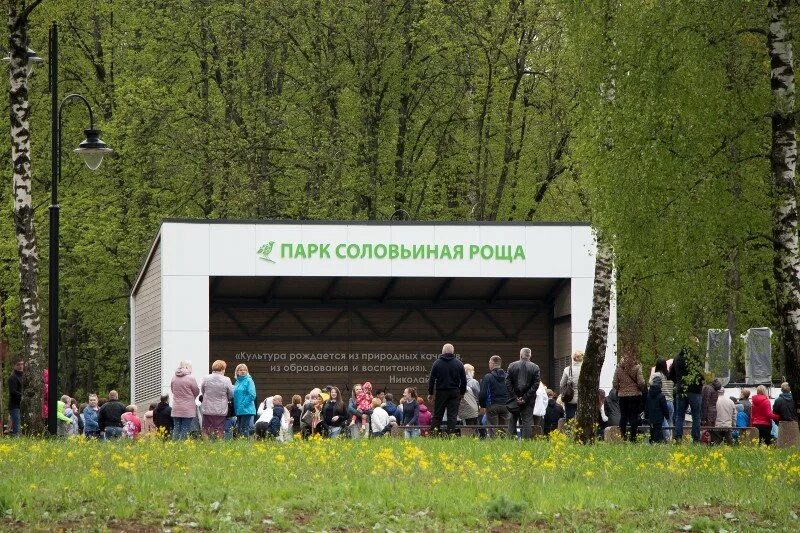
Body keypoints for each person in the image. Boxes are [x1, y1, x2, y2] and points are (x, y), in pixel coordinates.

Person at [427, 343, 467, 436]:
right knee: (452, 416)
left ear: (443, 351)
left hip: (441, 392)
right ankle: (451, 436)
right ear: (453, 352)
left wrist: (431, 393)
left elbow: (431, 379)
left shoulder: (437, 363)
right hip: (454, 393)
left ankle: (434, 435)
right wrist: (461, 392)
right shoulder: (459, 363)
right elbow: (464, 381)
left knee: (437, 415)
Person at [669, 344, 704, 443]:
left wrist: (678, 382)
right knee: (696, 416)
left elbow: (670, 375)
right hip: (695, 390)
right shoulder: (695, 358)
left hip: (681, 390)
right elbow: (701, 374)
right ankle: (696, 439)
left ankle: (678, 438)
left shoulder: (677, 358)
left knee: (679, 415)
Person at [505, 347, 541, 439]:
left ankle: (510, 441)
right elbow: (536, 385)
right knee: (527, 421)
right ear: (530, 356)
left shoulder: (512, 365)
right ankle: (526, 443)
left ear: (521, 355)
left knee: (512, 420)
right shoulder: (535, 367)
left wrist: (515, 396)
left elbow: (508, 382)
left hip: (514, 399)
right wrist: (525, 398)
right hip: (528, 400)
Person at [613, 350, 645, 443]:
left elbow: (615, 382)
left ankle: (623, 437)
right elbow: (641, 382)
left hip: (622, 396)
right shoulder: (637, 367)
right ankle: (633, 438)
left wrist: (620, 389)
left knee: (623, 416)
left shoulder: (619, 368)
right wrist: (639, 388)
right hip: (635, 396)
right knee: (633, 417)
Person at [200, 360, 234, 439]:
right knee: (219, 429)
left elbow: (202, 391)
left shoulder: (206, 378)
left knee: (206, 429)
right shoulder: (226, 379)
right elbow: (231, 394)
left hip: (207, 408)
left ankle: (206, 446)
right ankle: (218, 447)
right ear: (222, 369)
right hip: (220, 409)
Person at [479, 355, 511, 436]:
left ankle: (493, 447)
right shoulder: (507, 377)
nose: (489, 364)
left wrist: (483, 405)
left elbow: (483, 394)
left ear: (492, 364)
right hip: (506, 406)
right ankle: (505, 447)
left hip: (492, 406)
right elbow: (512, 391)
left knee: (493, 431)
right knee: (504, 430)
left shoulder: (488, 377)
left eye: (489, 363)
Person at [171, 360, 200, 440]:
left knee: (176, 429)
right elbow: (196, 391)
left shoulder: (174, 378)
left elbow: (173, 390)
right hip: (188, 409)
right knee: (185, 428)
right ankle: (180, 446)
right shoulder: (191, 378)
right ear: (188, 367)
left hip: (176, 408)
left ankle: (173, 446)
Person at [652, 358, 674, 441]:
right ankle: (670, 439)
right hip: (670, 401)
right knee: (669, 422)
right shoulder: (670, 376)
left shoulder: (656, 375)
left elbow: (652, 385)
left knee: (663, 422)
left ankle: (667, 439)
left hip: (661, 401)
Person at [233, 364, 257, 437]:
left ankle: (246, 446)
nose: (243, 371)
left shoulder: (249, 380)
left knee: (244, 428)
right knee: (239, 429)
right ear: (237, 372)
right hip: (239, 409)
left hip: (246, 409)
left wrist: (243, 404)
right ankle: (241, 446)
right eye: (240, 370)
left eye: (245, 370)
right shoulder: (237, 382)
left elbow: (252, 395)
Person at [645, 376, 670, 443]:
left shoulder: (648, 395)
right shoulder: (661, 396)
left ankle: (651, 443)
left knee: (652, 431)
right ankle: (658, 443)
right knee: (658, 432)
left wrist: (646, 416)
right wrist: (667, 416)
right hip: (659, 418)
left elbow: (646, 407)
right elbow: (664, 407)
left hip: (650, 418)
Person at [560, 350, 583, 420]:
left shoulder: (567, 369)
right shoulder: (586, 370)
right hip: (582, 398)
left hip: (570, 398)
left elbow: (561, 384)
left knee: (570, 419)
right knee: (581, 419)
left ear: (573, 358)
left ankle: (571, 430)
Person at [7, 358, 23, 436]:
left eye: (22, 364)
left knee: (23, 427)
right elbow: (13, 392)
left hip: (22, 405)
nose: (20, 366)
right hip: (15, 405)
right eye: (18, 364)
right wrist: (23, 396)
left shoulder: (24, 376)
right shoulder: (12, 377)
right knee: (17, 427)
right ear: (14, 366)